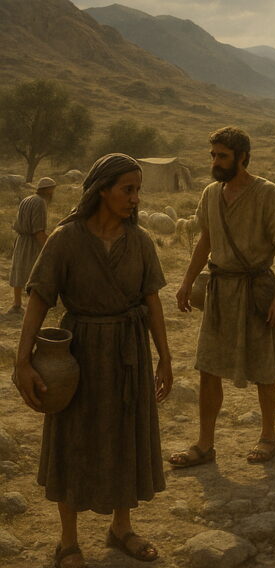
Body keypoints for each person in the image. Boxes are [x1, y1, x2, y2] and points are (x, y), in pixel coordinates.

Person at [13, 154, 173, 568]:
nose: (136, 199)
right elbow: (39, 298)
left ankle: (121, 527)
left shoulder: (139, 243)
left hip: (128, 353)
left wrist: (165, 357)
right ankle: (67, 542)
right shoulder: (66, 239)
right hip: (77, 354)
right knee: (72, 439)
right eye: (128, 189)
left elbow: (152, 301)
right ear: (102, 189)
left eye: (138, 190)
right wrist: (22, 361)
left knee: (126, 436)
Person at [170, 126, 275, 468]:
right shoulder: (211, 193)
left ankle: (268, 436)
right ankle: (205, 444)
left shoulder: (267, 193)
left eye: (222, 156)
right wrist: (186, 282)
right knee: (208, 368)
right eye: (213, 155)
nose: (215, 161)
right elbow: (206, 240)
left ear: (242, 157)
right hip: (220, 292)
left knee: (264, 368)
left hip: (256, 291)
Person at [7, 176, 56, 314]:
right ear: (48, 190)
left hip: (21, 239)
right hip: (32, 242)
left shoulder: (27, 199)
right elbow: (38, 231)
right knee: (33, 273)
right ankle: (32, 308)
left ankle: (16, 304)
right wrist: (49, 247)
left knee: (19, 269)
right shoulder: (40, 203)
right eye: (52, 190)